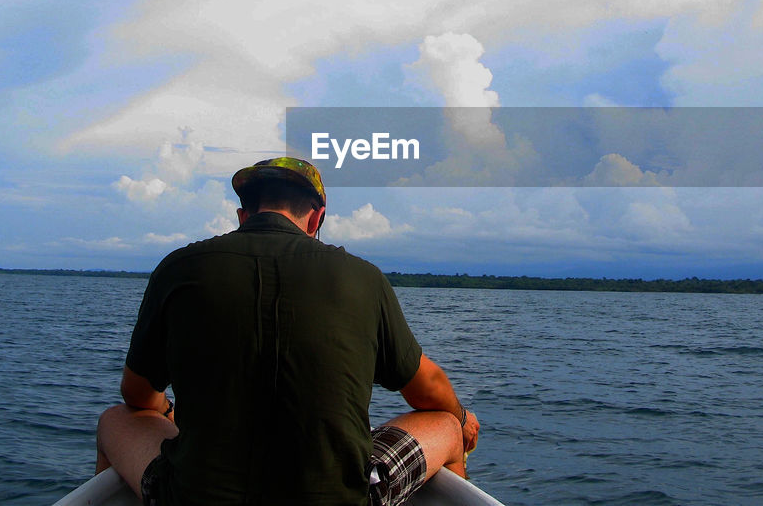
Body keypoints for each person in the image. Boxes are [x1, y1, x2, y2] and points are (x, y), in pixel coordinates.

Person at [95, 157, 479, 505]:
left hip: (189, 499)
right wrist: (461, 417)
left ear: (243, 216)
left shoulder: (177, 269)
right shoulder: (364, 278)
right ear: (316, 218)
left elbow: (136, 396)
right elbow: (426, 387)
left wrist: (167, 410)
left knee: (115, 418)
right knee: (445, 424)